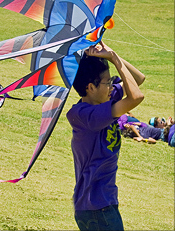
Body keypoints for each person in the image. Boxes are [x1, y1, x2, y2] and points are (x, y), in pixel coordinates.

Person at [67, 41, 145, 231]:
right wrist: (113, 59)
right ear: (90, 87)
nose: (112, 86)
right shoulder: (86, 116)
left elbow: (138, 79)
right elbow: (136, 97)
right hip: (97, 206)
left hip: (98, 205)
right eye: (108, 82)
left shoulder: (105, 97)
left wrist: (110, 53)